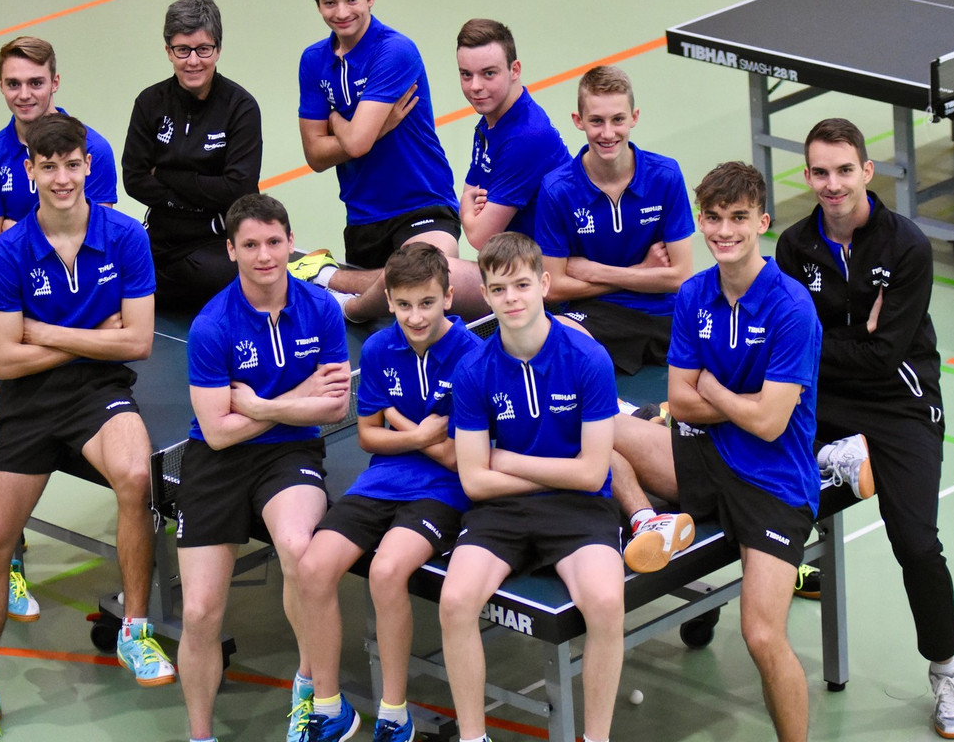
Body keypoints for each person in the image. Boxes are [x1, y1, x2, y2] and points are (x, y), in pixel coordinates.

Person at [0, 113, 174, 742]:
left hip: (99, 394)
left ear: (87, 166)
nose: (60, 178)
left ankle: (135, 631)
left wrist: (43, 332)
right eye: (47, 167)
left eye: (71, 165)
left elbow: (136, 343)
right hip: (27, 406)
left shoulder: (125, 237)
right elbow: (4, 360)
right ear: (30, 171)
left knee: (136, 478)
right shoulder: (7, 252)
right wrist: (90, 336)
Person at [775, 118, 954, 739]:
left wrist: (825, 342)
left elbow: (885, 356)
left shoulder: (907, 246)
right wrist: (850, 338)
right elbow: (793, 343)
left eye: (844, 170)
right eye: (820, 172)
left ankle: (946, 672)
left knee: (916, 544)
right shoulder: (794, 247)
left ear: (866, 171)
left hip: (899, 403)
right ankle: (721, 600)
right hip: (823, 400)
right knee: (757, 481)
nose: (832, 184)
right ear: (807, 176)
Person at [611, 161, 820, 742]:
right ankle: (646, 519)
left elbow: (771, 425)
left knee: (762, 636)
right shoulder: (694, 294)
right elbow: (681, 399)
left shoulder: (791, 308)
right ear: (700, 220)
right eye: (714, 218)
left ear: (762, 223)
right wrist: (733, 402)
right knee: (596, 426)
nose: (725, 231)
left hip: (773, 481)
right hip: (702, 455)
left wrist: (713, 391)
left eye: (738, 218)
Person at [175, 194, 350, 742]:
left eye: (274, 242)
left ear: (291, 242)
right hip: (216, 462)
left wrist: (257, 405)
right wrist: (296, 398)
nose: (265, 255)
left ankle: (309, 688)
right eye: (250, 245)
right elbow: (218, 432)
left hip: (290, 452)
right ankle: (200, 734)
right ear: (231, 250)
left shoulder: (322, 308)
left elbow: (336, 407)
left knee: (299, 549)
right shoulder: (212, 326)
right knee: (200, 612)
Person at [440, 232, 624, 742]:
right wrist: (536, 470)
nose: (512, 298)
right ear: (485, 294)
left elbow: (592, 473)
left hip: (578, 508)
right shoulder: (473, 369)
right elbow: (474, 481)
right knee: (455, 602)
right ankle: (473, 737)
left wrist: (508, 460)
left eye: (522, 285)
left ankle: (596, 738)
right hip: (502, 511)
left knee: (606, 605)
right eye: (499, 289)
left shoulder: (588, 359)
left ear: (544, 284)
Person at [295, 243, 481, 742]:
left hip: (443, 491)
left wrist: (398, 423)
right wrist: (420, 434)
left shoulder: (472, 357)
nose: (414, 316)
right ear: (390, 302)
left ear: (448, 298)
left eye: (426, 303)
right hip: (381, 481)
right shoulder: (379, 349)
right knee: (313, 568)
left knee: (386, 572)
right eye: (402, 305)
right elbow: (368, 437)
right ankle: (329, 708)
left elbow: (459, 457)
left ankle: (394, 714)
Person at [291, 0, 487, 322]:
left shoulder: (394, 51)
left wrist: (337, 120)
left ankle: (335, 288)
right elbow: (315, 155)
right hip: (363, 216)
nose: (342, 12)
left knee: (426, 276)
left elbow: (357, 142)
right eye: (329, 2)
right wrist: (377, 126)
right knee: (398, 299)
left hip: (422, 202)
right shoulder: (313, 61)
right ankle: (347, 284)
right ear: (318, 4)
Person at [535, 65, 694, 376]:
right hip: (595, 315)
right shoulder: (557, 190)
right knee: (551, 340)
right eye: (596, 121)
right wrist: (641, 271)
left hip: (665, 311)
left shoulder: (665, 176)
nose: (608, 133)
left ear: (634, 117)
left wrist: (597, 272)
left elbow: (681, 276)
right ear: (578, 121)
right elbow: (553, 289)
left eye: (618, 120)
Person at [123, 0, 263, 314]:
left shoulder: (240, 108)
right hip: (162, 233)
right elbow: (134, 179)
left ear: (218, 49)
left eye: (203, 49)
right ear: (168, 51)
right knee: (112, 264)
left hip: (216, 237)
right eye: (182, 50)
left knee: (219, 275)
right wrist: (199, 195)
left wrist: (167, 176)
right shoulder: (149, 103)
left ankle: (148, 289)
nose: (193, 61)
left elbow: (238, 188)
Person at [0, 36, 118, 245]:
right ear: (1, 85)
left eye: (36, 83)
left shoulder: (93, 149)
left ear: (55, 83)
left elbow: (95, 238)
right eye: (13, 84)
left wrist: (17, 232)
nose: (24, 95)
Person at [456, 18, 570, 250]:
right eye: (466, 74)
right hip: (517, 257)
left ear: (515, 70)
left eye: (488, 73)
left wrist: (466, 209)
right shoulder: (491, 122)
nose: (475, 86)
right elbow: (472, 192)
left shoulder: (525, 137)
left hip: (546, 264)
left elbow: (479, 237)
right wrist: (471, 209)